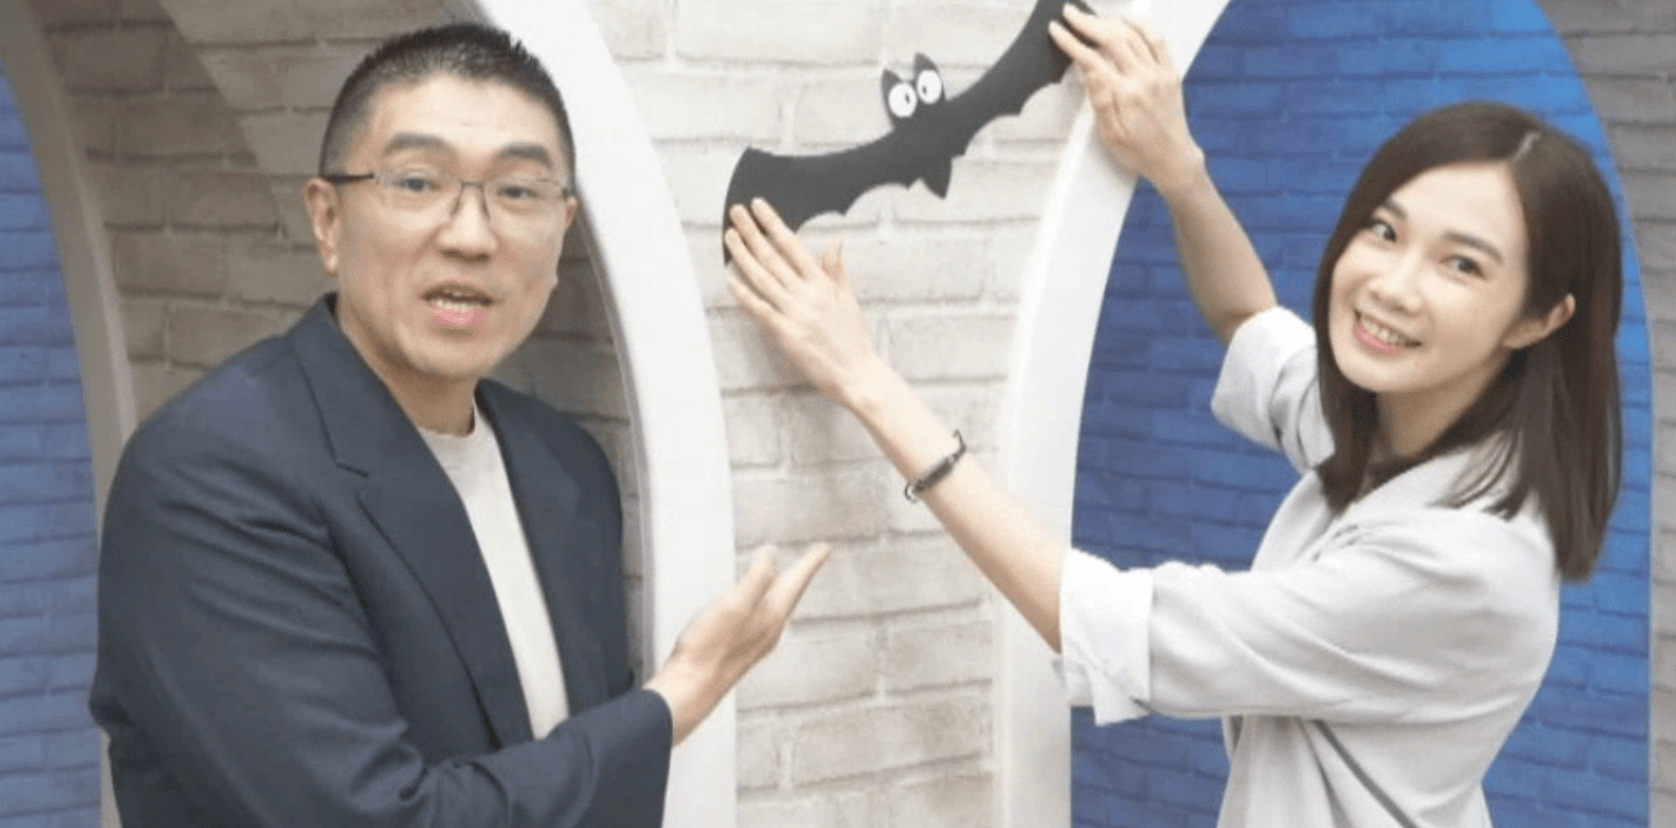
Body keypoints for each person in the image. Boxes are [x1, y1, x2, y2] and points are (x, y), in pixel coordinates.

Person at [723, 5, 1622, 826]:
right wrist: (1176, 167)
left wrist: (866, 380)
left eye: (1462, 265)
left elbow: (1110, 625)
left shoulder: (1464, 567)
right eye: (1384, 231)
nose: (1393, 284)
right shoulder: (1415, 429)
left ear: (1541, 317)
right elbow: (1249, 323)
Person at [89, 22, 827, 827]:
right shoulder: (210, 474)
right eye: (417, 182)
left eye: (518, 192)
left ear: (562, 230)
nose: (472, 236)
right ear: (328, 221)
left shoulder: (565, 466)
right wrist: (678, 697)